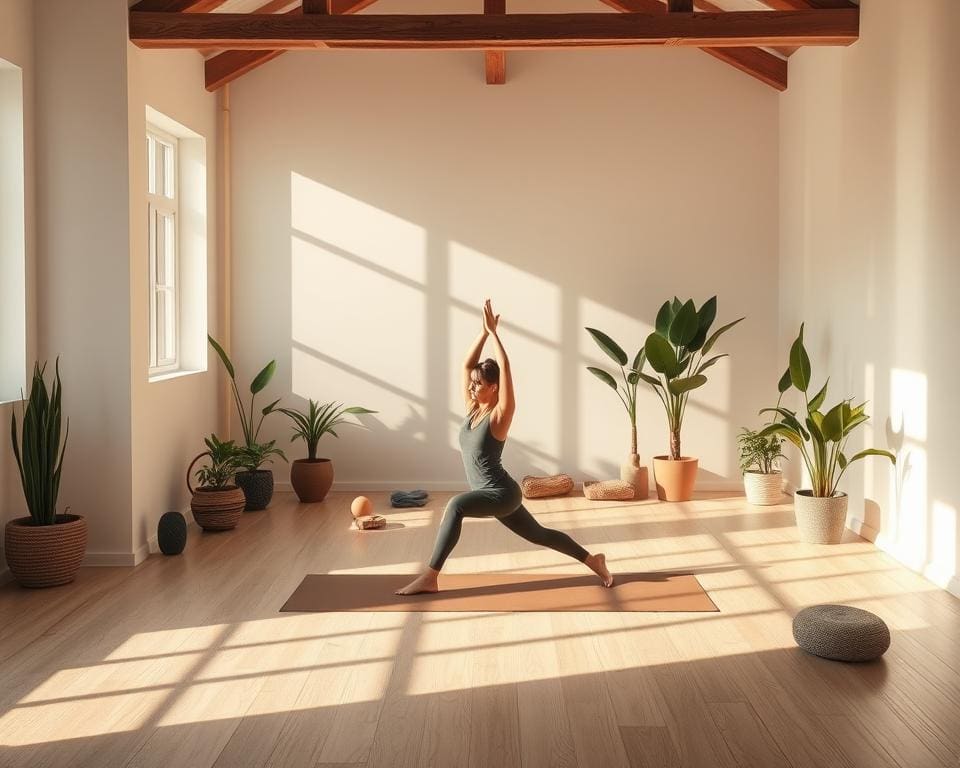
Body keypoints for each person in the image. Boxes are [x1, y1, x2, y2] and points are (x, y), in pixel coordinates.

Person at [395, 299, 613, 595]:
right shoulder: (474, 408)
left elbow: (506, 368)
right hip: (495, 493)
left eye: (478, 383)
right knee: (539, 534)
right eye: (472, 383)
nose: (472, 386)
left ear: (494, 387)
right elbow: (465, 365)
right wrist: (483, 333)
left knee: (456, 506)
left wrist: (496, 336)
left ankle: (430, 576)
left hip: (500, 493)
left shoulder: (500, 415)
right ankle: (593, 560)